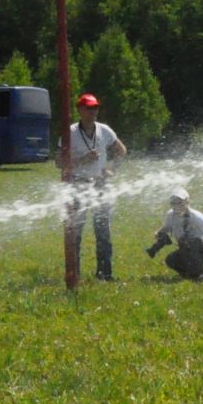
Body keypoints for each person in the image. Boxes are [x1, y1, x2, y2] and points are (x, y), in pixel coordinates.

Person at [58, 93, 127, 282]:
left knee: (103, 231)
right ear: (79, 110)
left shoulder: (104, 130)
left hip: (100, 185)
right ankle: (75, 274)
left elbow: (121, 150)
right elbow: (59, 162)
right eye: (88, 108)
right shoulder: (70, 132)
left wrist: (112, 170)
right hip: (78, 185)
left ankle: (105, 274)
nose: (93, 112)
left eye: (95, 108)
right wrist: (82, 160)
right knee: (76, 234)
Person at [147, 187, 203, 281]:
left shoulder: (197, 218)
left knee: (192, 242)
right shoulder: (171, 215)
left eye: (180, 202)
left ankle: (199, 274)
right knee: (170, 260)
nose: (177, 206)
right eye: (173, 203)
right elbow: (166, 228)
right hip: (187, 249)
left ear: (187, 202)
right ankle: (189, 275)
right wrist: (158, 233)